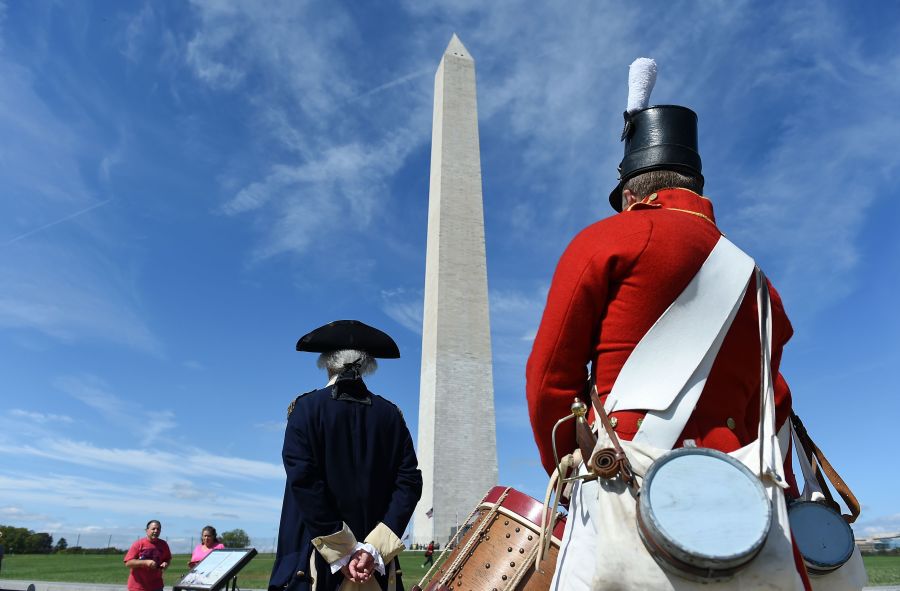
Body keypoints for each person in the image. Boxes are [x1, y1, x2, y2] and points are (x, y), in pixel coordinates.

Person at [526, 59, 810, 590]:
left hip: (623, 492)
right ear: (697, 186)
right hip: (737, 506)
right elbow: (775, 411)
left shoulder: (605, 241)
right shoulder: (761, 286)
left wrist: (564, 467)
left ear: (631, 195)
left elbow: (549, 380)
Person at [269, 320, 423, 591]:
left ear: (327, 363)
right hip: (376, 565)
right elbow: (409, 484)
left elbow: (304, 481)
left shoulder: (305, 409)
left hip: (316, 563)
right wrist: (373, 548)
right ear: (367, 366)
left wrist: (343, 549)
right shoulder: (391, 416)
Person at [124, 520, 172, 591]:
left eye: (158, 529)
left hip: (156, 585)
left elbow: (167, 559)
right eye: (153, 529)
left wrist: (165, 564)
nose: (156, 531)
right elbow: (128, 563)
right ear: (147, 530)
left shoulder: (163, 544)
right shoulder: (138, 544)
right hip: (138, 586)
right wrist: (145, 562)